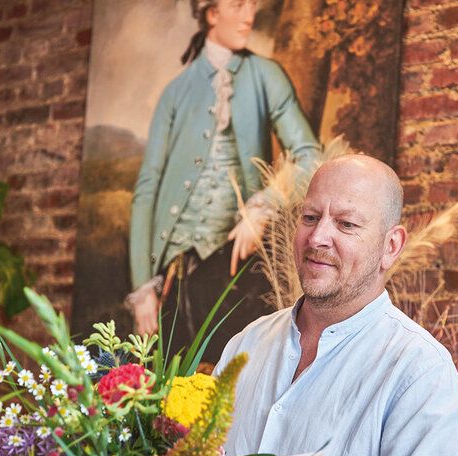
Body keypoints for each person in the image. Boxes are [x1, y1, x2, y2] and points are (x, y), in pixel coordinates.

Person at [215, 155, 458, 456]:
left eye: (347, 224)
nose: (318, 238)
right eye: (310, 217)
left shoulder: (418, 370)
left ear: (391, 246)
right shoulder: (245, 346)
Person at [126, 0, 319, 362]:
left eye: (252, 5)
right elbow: (146, 190)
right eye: (237, 5)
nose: (249, 15)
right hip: (175, 273)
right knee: (171, 401)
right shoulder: (175, 93)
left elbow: (311, 155)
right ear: (212, 14)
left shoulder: (266, 76)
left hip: (237, 271)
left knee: (233, 393)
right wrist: (142, 289)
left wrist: (264, 205)